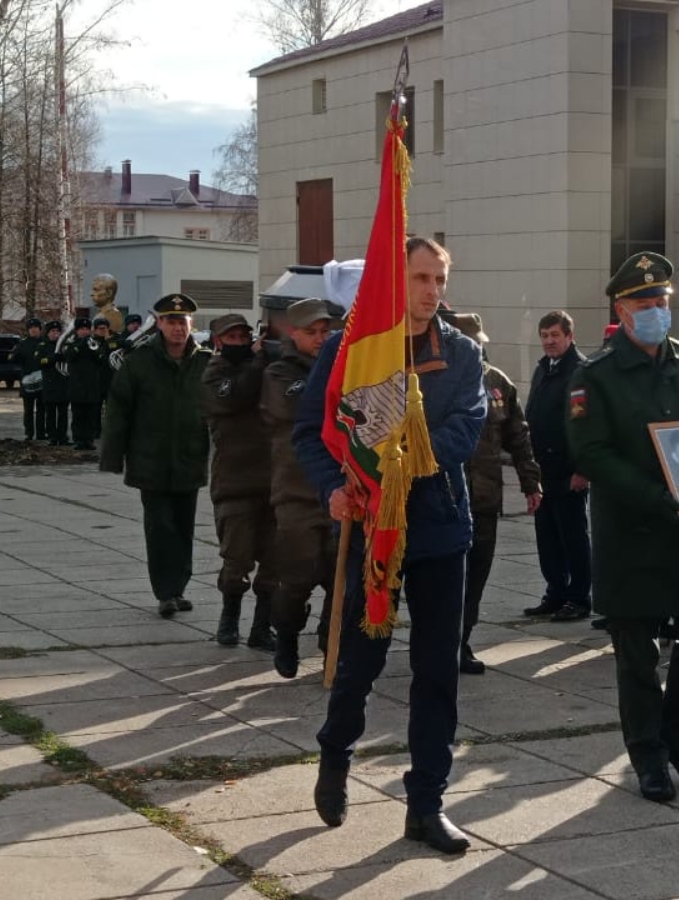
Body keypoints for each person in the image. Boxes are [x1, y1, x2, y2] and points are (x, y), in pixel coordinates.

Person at [298, 237, 485, 853]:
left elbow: (467, 425)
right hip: (373, 530)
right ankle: (335, 755)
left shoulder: (460, 352)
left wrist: (402, 458)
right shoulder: (348, 348)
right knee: (360, 662)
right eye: (421, 277)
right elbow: (312, 431)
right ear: (392, 281)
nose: (432, 289)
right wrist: (335, 487)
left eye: (439, 277)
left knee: (437, 673)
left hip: (439, 532)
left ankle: (426, 803)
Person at [566, 251, 679, 804]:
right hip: (632, 534)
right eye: (644, 302)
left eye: (661, 299)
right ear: (621, 307)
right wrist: (656, 496)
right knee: (637, 656)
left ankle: (678, 736)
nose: (655, 309)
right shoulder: (595, 375)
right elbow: (592, 454)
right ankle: (648, 756)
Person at [100, 294, 212, 619]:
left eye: (184, 321)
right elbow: (119, 411)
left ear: (192, 323)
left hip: (189, 457)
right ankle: (165, 592)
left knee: (183, 527)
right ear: (159, 323)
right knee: (160, 527)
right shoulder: (140, 362)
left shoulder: (204, 360)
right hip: (150, 459)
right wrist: (113, 456)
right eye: (172, 321)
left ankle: (179, 588)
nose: (179, 327)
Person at [450, 312, 542, 674]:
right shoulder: (436, 380)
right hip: (444, 498)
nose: (475, 350)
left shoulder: (497, 384)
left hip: (485, 500)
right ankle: (438, 642)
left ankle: (462, 641)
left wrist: (530, 482)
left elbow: (519, 438)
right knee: (443, 578)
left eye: (479, 344)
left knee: (476, 574)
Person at [261, 299, 338, 678]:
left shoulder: (340, 366)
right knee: (296, 578)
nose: (321, 338)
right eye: (312, 332)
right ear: (294, 333)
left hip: (338, 491)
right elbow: (301, 407)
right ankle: (287, 634)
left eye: (326, 331)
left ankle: (332, 646)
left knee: (342, 579)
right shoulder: (278, 373)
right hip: (296, 494)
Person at [200, 313, 278, 649]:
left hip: (274, 483)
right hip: (234, 484)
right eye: (231, 338)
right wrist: (259, 360)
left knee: (275, 563)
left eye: (243, 337)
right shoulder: (214, 374)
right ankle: (229, 619)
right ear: (218, 342)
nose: (239, 343)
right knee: (237, 560)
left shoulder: (265, 369)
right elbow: (233, 397)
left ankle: (262, 627)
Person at [525, 312, 594, 623]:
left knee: (573, 537)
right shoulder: (544, 369)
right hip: (543, 470)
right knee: (548, 537)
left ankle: (579, 597)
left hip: (568, 471)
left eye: (555, 335)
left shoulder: (579, 373)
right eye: (544, 335)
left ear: (569, 335)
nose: (549, 341)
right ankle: (555, 593)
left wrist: (583, 469)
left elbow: (585, 424)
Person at [63, 317, 108, 452]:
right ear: (76, 331)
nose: (85, 331)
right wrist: (80, 344)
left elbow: (102, 360)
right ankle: (78, 440)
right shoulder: (72, 344)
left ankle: (89, 440)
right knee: (78, 416)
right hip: (77, 386)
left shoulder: (95, 344)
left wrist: (94, 350)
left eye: (87, 329)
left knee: (91, 415)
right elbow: (69, 357)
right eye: (82, 329)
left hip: (92, 385)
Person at [10, 318, 45, 441]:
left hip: (43, 381)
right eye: (31, 328)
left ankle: (41, 433)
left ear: (40, 329)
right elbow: (12, 357)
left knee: (42, 410)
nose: (34, 330)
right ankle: (29, 433)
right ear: (28, 330)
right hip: (27, 381)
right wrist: (15, 356)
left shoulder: (44, 342)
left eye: (36, 328)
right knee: (28, 410)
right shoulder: (22, 344)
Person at [38, 320, 71, 446]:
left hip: (63, 383)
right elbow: (39, 361)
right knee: (50, 413)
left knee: (63, 413)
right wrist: (53, 358)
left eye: (58, 331)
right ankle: (52, 437)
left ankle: (63, 437)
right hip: (50, 384)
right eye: (53, 331)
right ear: (48, 333)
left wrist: (65, 355)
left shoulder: (65, 345)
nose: (56, 334)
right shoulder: (43, 345)